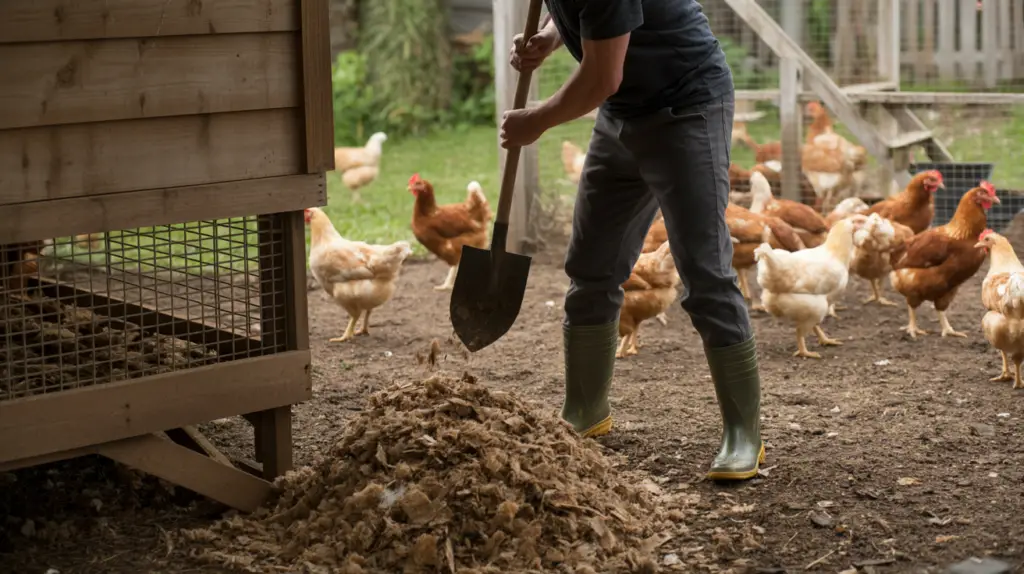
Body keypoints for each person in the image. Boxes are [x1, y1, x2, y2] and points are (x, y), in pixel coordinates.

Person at [500, 0, 764, 481]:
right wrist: (550, 35)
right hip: (621, 114)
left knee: (705, 273)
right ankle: (585, 410)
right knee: (591, 267)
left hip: (686, 107)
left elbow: (601, 78)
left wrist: (536, 120)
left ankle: (744, 434)